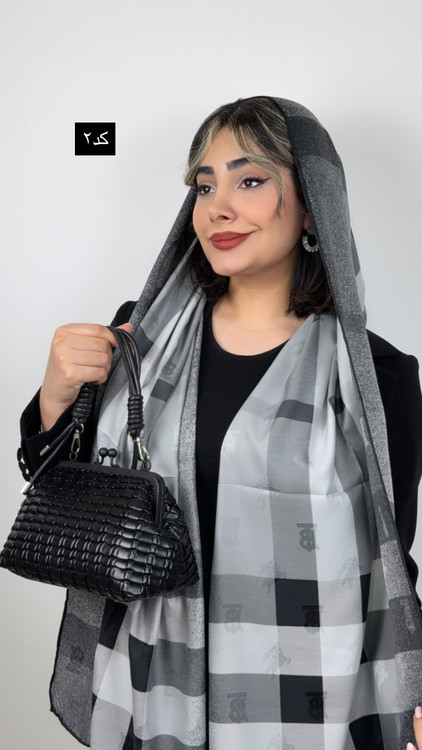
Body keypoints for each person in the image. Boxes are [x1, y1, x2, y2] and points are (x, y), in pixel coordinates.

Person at [18, 97, 422, 749]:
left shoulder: (377, 375)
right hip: (150, 690)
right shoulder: (141, 341)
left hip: (309, 698)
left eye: (250, 180)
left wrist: (416, 690)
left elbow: (390, 561)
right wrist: (56, 395)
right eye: (205, 186)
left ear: (313, 204)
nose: (218, 208)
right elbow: (63, 488)